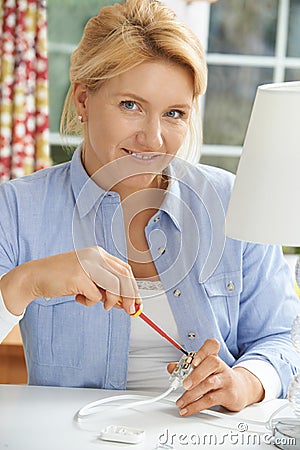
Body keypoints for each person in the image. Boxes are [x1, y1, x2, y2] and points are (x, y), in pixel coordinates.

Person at [0, 0, 299, 418]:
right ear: (84, 99)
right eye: (131, 106)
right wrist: (27, 282)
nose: (153, 139)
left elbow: (281, 337)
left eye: (174, 114)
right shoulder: (16, 208)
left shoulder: (233, 203)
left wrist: (245, 382)